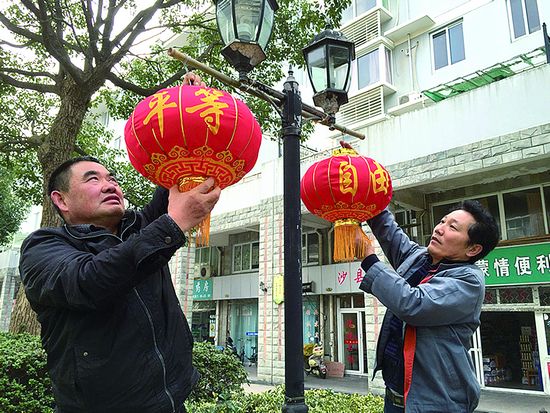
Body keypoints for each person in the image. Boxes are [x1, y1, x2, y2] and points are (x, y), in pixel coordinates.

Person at [19, 74, 221, 413]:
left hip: (172, 402)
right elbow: (90, 281)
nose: (109, 184)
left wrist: (192, 117)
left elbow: (174, 183)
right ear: (61, 200)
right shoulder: (44, 247)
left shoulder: (137, 228)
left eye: (112, 178)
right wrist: (174, 224)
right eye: (93, 179)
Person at [347, 142, 500, 413]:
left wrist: (369, 259)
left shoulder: (468, 282)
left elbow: (412, 304)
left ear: (473, 248)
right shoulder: (420, 258)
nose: (440, 228)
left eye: (452, 227)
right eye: (442, 221)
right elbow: (387, 229)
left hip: (436, 402)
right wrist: (362, 177)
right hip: (396, 397)